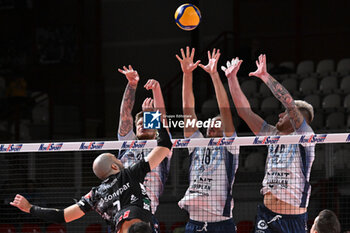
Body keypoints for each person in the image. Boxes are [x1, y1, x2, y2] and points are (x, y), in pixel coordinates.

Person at [10, 123, 173, 233]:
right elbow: (165, 146)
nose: (120, 160)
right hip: (138, 225)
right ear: (115, 167)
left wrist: (30, 208)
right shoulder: (128, 173)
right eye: (117, 159)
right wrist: (155, 119)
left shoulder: (94, 195)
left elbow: (62, 216)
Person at [222, 54, 315, 233]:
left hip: (292, 220)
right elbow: (245, 113)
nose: (280, 115)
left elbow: (288, 103)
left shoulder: (305, 137)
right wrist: (232, 79)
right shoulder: (272, 134)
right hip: (266, 214)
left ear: (299, 118)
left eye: (285, 114)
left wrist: (265, 76)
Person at [176, 46, 239, 233]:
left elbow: (225, 109)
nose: (213, 124)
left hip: (221, 222)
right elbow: (188, 109)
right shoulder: (197, 143)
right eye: (210, 122)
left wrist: (213, 74)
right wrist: (187, 75)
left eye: (218, 122)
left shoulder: (230, 147)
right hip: (194, 222)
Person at [117, 65, 171, 216]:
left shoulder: (161, 147)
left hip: (146, 212)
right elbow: (125, 114)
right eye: (140, 124)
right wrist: (132, 84)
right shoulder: (128, 142)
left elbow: (163, 119)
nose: (143, 126)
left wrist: (157, 90)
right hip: (122, 211)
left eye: (147, 124)